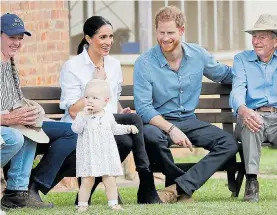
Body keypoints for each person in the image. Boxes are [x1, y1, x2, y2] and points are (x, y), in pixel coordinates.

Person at [134, 6, 239, 203]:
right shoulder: (145, 63)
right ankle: (182, 188)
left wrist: (253, 72)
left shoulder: (197, 54)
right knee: (150, 136)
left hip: (190, 122)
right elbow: (144, 108)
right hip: (159, 123)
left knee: (229, 143)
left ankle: (180, 187)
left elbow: (224, 74)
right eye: (161, 32)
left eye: (170, 33)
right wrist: (171, 129)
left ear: (181, 31)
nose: (165, 38)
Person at [59, 15, 161, 204]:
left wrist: (121, 112)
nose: (109, 42)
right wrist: (97, 83)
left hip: (106, 124)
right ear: (88, 39)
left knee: (133, 121)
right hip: (83, 127)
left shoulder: (114, 64)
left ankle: (88, 193)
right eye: (103, 37)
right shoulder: (72, 66)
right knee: (131, 133)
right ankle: (146, 183)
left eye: (111, 37)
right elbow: (73, 111)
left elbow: (112, 100)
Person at [0, 13, 77, 209]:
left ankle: (23, 191)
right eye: (12, 37)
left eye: (20, 38)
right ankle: (17, 190)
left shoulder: (9, 63)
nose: (17, 43)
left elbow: (13, 101)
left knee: (71, 130)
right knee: (17, 136)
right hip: (6, 125)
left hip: (13, 120)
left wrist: (33, 112)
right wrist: (8, 118)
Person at [230, 14, 277, 203]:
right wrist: (243, 109)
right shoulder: (241, 60)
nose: (256, 41)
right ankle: (252, 182)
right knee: (252, 122)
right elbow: (237, 89)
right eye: (254, 36)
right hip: (252, 115)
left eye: (262, 37)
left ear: (275, 41)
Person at [73, 79, 139, 212]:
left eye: (95, 98)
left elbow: (114, 129)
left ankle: (113, 203)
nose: (90, 100)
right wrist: (83, 116)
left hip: (105, 153)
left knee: (110, 180)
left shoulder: (107, 115)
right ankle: (82, 204)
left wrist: (127, 128)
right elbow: (76, 129)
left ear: (106, 100)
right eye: (87, 97)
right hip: (89, 154)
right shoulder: (82, 115)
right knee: (87, 180)